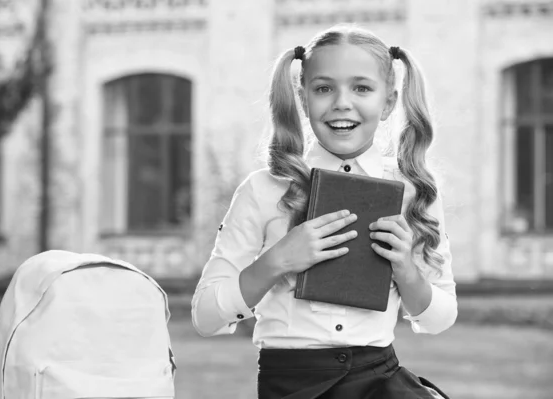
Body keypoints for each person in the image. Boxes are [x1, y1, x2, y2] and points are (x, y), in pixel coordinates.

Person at [191, 24, 457, 399]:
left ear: (389, 102)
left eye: (362, 88)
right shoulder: (264, 190)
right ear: (303, 100)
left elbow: (441, 318)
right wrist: (277, 261)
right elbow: (205, 317)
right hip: (291, 385)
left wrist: (407, 271)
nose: (341, 103)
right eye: (323, 88)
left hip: (379, 381)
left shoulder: (413, 191)